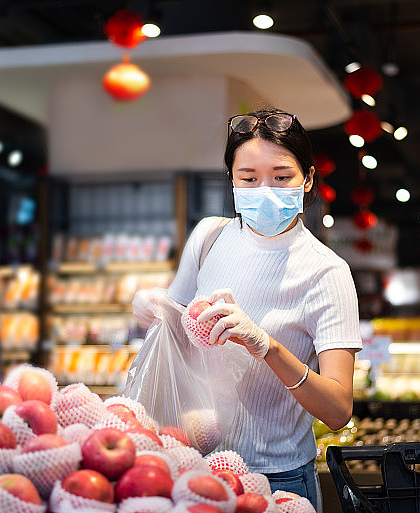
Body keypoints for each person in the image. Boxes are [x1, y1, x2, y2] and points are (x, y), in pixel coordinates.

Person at [133, 108, 362, 511]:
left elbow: (339, 409)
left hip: (277, 478)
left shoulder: (327, 272)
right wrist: (157, 311)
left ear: (307, 179)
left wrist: (266, 346)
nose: (265, 189)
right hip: (195, 463)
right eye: (249, 179)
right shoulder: (209, 237)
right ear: (232, 181)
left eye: (281, 176)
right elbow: (179, 338)